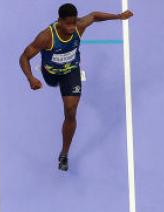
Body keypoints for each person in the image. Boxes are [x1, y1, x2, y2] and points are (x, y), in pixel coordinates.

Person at [19, 4, 134, 171]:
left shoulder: (79, 26)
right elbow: (24, 57)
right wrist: (30, 78)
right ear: (59, 21)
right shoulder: (46, 37)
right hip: (50, 73)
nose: (72, 28)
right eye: (68, 24)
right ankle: (50, 78)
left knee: (71, 111)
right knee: (52, 82)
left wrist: (118, 16)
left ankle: (64, 153)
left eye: (74, 23)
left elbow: (94, 16)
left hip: (71, 72)